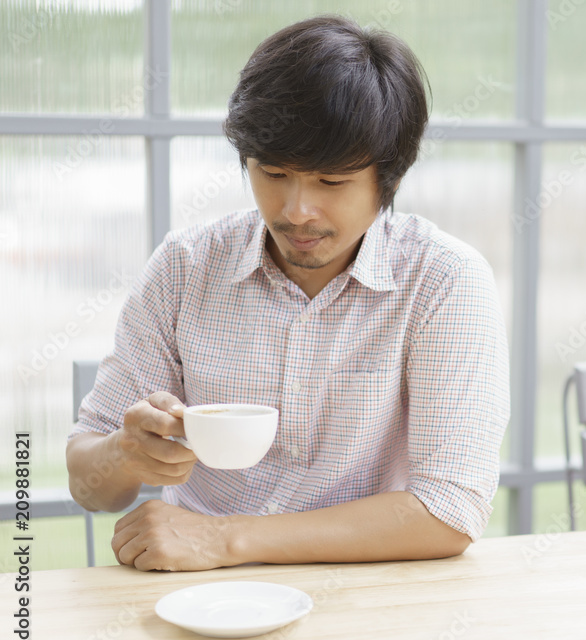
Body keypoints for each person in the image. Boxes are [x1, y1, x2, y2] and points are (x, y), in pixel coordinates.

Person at [65, 15, 510, 572]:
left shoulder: (443, 280)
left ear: (388, 179)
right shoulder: (184, 268)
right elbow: (89, 485)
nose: (296, 210)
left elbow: (451, 508)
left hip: (371, 592)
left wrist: (225, 540)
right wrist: (125, 455)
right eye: (273, 173)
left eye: (331, 183)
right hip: (198, 600)